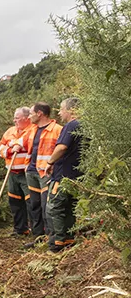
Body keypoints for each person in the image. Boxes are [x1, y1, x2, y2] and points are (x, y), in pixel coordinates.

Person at [15, 102, 62, 245]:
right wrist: (14, 145)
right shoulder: (32, 130)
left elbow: (62, 150)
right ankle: (38, 238)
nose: (29, 116)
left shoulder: (57, 130)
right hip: (31, 171)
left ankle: (51, 237)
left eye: (31, 113)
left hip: (46, 174)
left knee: (46, 205)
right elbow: (20, 141)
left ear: (39, 113)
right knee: (34, 205)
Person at [46, 97, 84, 253]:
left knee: (54, 207)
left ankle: (58, 242)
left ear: (71, 110)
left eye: (61, 109)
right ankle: (69, 239)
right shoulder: (88, 126)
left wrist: (50, 162)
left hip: (63, 176)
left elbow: (61, 148)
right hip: (78, 176)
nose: (60, 113)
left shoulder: (71, 125)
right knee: (69, 207)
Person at [0, 107, 34, 236]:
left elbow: (27, 143)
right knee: (15, 201)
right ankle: (20, 229)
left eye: (17, 118)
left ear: (26, 118)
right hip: (12, 173)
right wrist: (9, 150)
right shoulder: (10, 131)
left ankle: (37, 230)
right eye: (14, 118)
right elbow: (0, 148)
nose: (14, 120)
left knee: (31, 202)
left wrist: (14, 144)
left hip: (26, 173)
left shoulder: (32, 129)